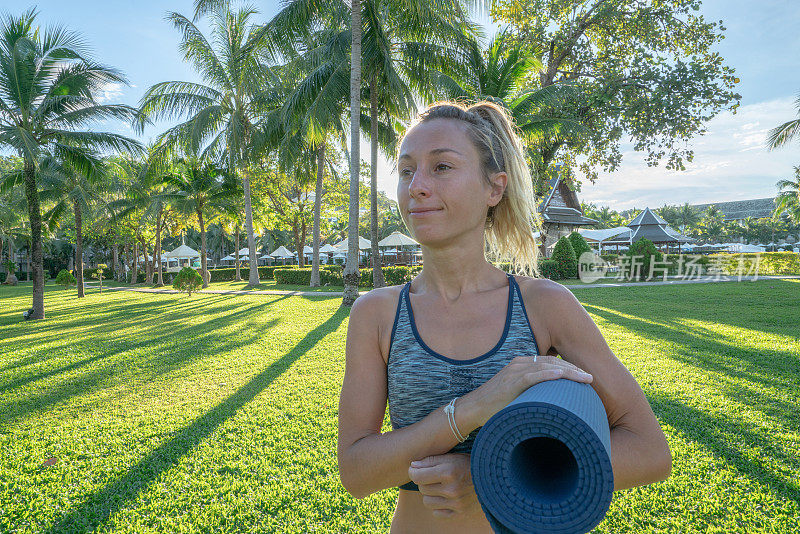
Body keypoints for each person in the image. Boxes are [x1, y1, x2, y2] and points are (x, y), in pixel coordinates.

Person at [337, 101, 671, 533]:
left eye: (441, 167)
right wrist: (474, 407)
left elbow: (648, 451)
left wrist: (481, 478)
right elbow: (357, 472)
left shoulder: (544, 306)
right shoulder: (376, 313)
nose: (417, 186)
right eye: (406, 170)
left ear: (494, 188)